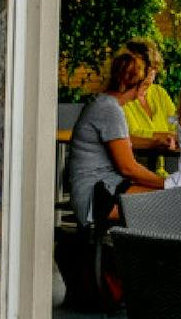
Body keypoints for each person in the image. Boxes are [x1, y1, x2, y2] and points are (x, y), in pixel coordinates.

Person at [67, 50, 164, 226]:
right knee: (173, 202)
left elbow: (122, 142)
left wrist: (155, 143)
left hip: (103, 188)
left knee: (172, 199)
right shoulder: (109, 109)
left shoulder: (103, 102)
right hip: (97, 197)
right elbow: (128, 168)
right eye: (146, 84)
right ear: (137, 84)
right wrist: (169, 183)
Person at [119, 36, 178, 154]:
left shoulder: (160, 93)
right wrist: (165, 135)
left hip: (164, 168)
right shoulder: (121, 98)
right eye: (142, 68)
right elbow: (131, 134)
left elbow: (175, 122)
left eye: (152, 68)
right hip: (133, 166)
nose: (150, 73)